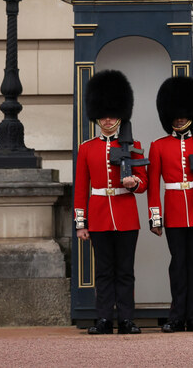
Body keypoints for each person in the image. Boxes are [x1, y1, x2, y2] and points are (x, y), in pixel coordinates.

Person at [74, 70, 148, 335]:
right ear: (97, 116)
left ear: (120, 115)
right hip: (99, 215)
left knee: (125, 271)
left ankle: (127, 319)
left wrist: (134, 183)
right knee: (104, 272)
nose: (108, 119)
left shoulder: (134, 144)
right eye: (104, 114)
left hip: (126, 214)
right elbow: (81, 188)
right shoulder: (88, 148)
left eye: (112, 114)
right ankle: (104, 319)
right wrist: (81, 223)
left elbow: (144, 181)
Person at [147, 76, 193, 333]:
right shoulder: (158, 146)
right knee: (178, 266)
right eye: (175, 115)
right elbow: (153, 186)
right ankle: (176, 316)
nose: (179, 119)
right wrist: (156, 218)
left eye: (183, 114)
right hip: (175, 214)